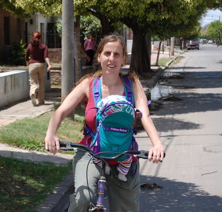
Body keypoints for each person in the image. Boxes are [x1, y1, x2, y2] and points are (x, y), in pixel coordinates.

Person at [45, 34, 165, 212]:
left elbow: (144, 116)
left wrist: (157, 145)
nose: (111, 58)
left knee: (127, 208)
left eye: (117, 54)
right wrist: (50, 134)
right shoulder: (88, 84)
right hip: (91, 151)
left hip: (124, 154)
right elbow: (61, 111)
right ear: (99, 56)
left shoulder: (133, 84)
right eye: (107, 53)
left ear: (124, 58)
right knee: (82, 200)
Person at [25, 32, 51, 106]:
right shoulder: (43, 46)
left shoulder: (29, 46)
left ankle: (33, 92)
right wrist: (49, 65)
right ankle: (41, 100)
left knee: (33, 82)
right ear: (40, 38)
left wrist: (27, 63)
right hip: (41, 65)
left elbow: (26, 56)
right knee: (41, 83)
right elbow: (46, 57)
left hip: (32, 65)